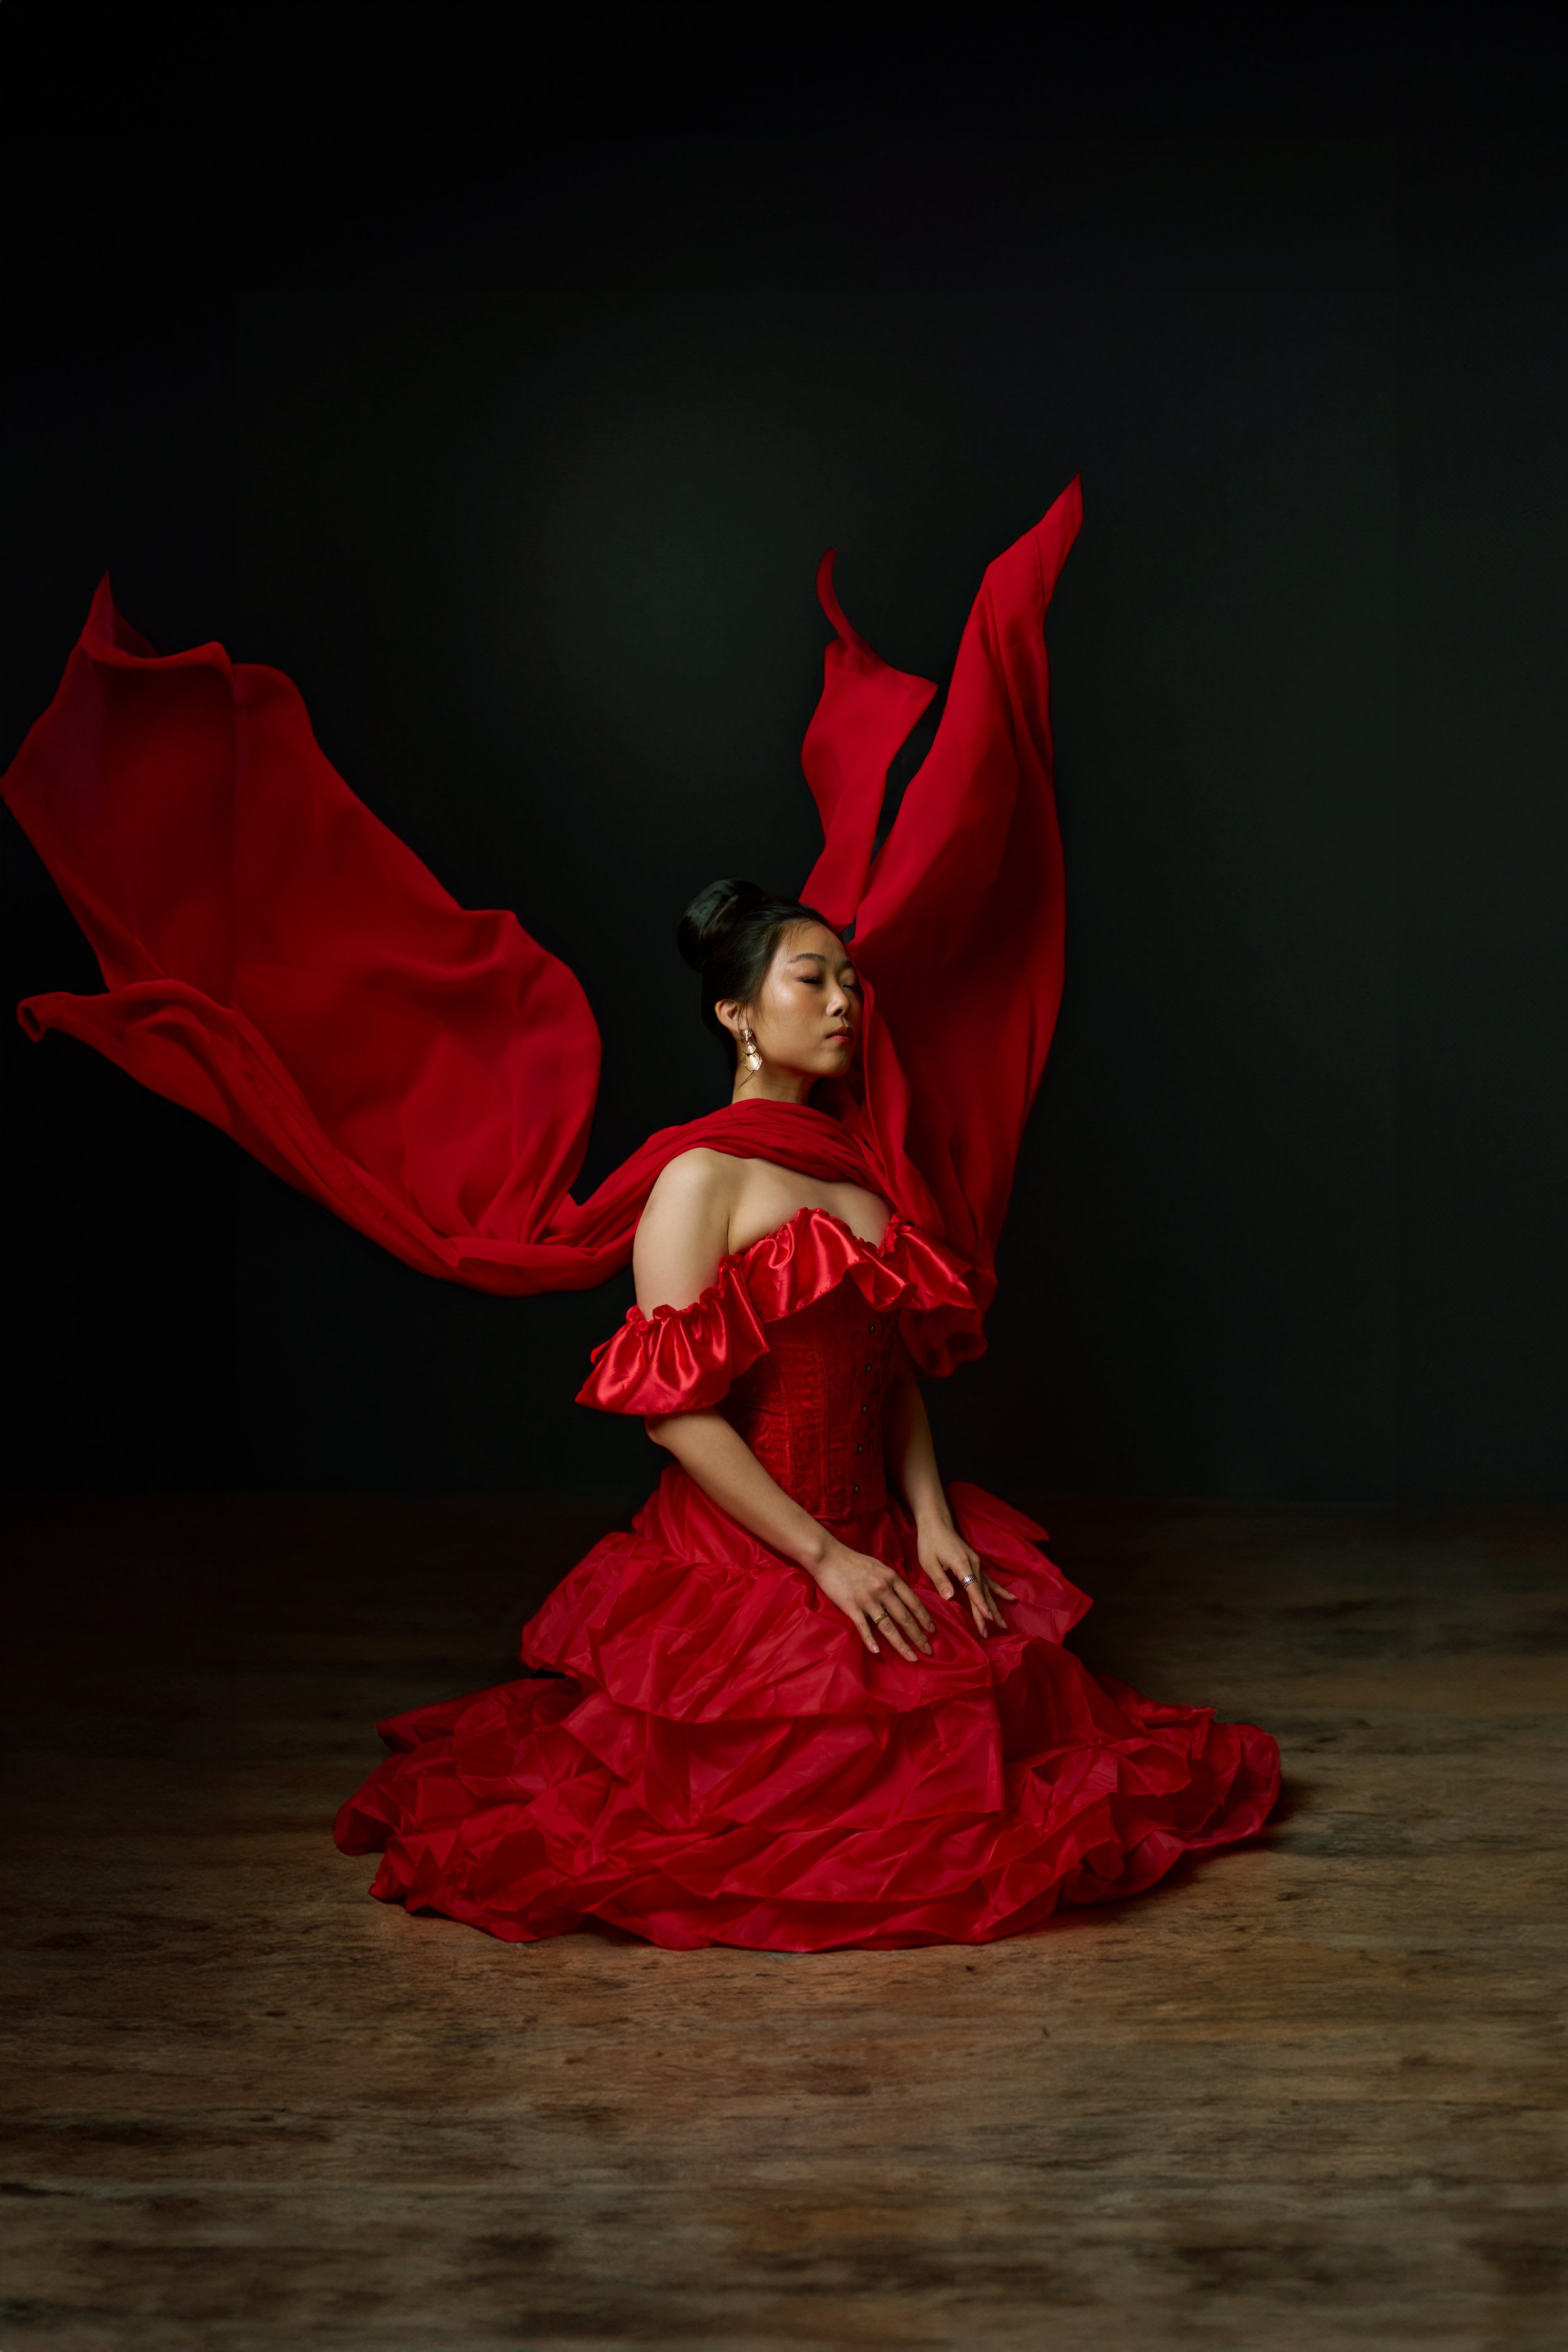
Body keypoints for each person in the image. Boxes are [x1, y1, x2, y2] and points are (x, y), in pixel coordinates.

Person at [2, 477, 1279, 1950]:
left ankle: (908, 1581)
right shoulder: (698, 1179)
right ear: (740, 1014)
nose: (848, 1000)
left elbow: (895, 1380)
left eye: (853, 980)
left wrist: (926, 1526)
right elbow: (678, 1418)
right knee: (755, 1814)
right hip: (751, 1555)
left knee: (1015, 1739)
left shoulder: (866, 1177)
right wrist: (824, 1558)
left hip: (870, 1516)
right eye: (815, 980)